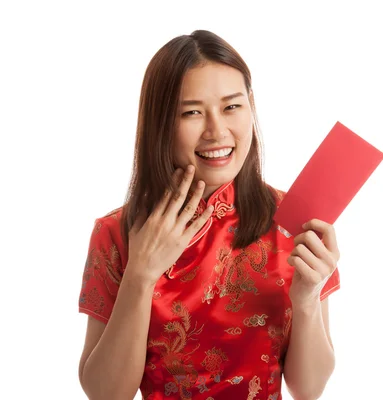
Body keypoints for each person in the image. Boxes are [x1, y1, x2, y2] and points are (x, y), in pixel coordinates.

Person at [77, 30, 341, 400]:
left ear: (251, 107)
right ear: (160, 124)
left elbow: (308, 389)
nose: (217, 131)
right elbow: (105, 393)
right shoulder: (118, 232)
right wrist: (140, 274)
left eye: (232, 106)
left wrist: (307, 298)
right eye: (192, 113)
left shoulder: (295, 220)